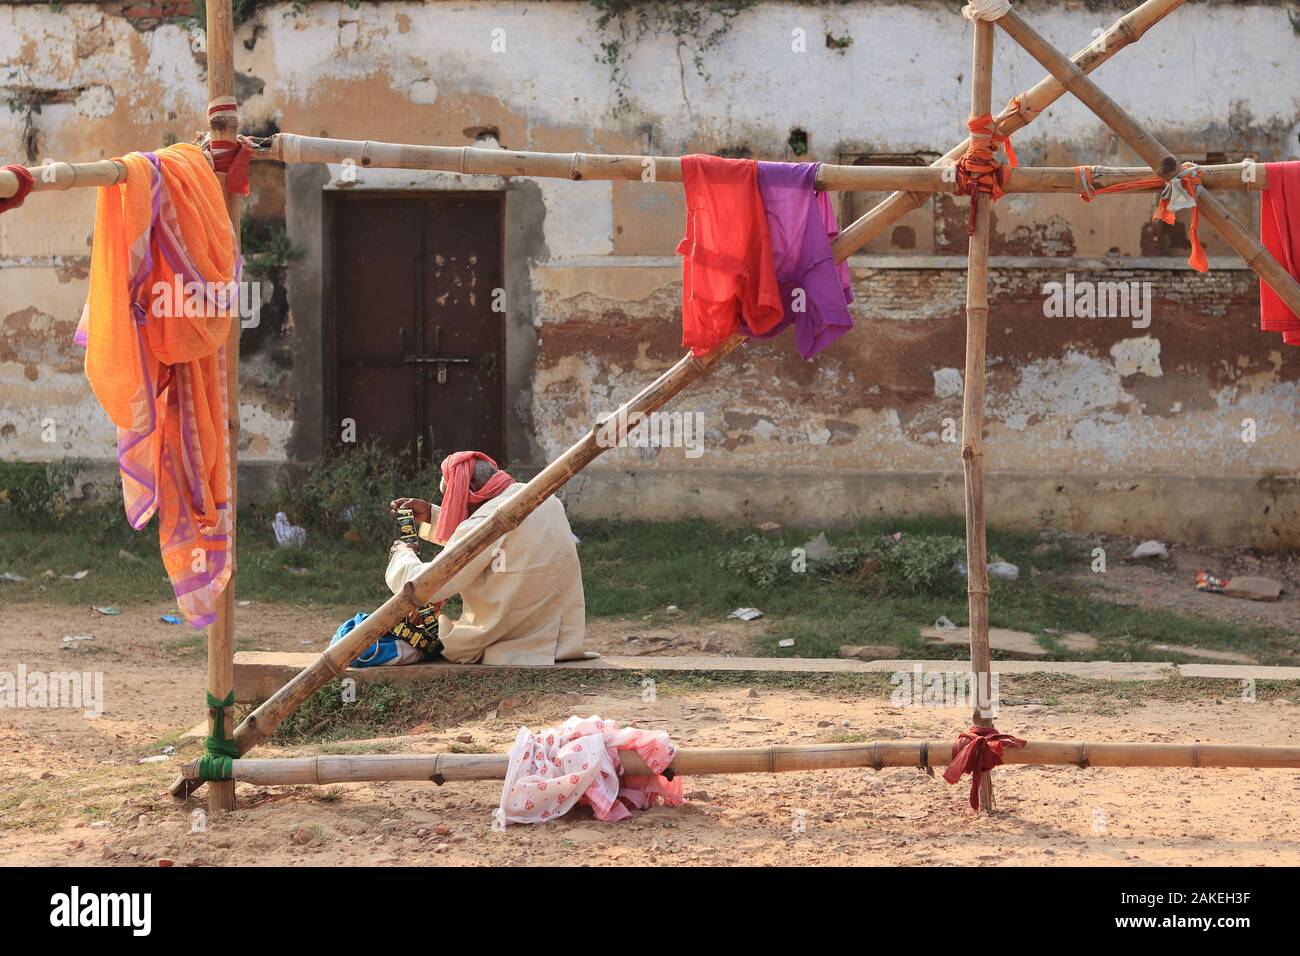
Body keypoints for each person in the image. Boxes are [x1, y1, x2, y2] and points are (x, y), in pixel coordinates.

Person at [387, 451, 587, 665]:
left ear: (470, 491)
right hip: (562, 640)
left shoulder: (487, 520)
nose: (453, 509)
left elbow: (426, 585)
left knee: (447, 640)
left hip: (513, 639)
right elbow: (475, 538)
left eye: (453, 501)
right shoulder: (543, 498)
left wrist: (400, 554)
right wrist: (432, 516)